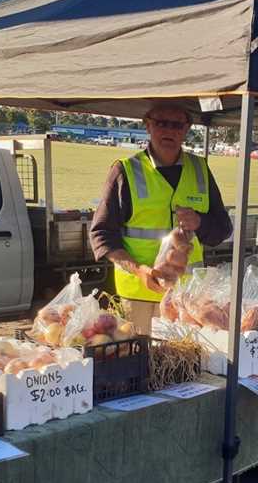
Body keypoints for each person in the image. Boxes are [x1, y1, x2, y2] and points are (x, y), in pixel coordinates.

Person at [90, 103, 233, 335]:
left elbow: (222, 229)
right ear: (147, 125)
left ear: (187, 128)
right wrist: (138, 270)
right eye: (161, 123)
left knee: (189, 367)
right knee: (142, 365)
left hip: (189, 301)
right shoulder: (125, 171)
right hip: (139, 299)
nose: (169, 131)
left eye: (177, 125)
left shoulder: (200, 169)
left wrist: (200, 222)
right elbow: (101, 235)